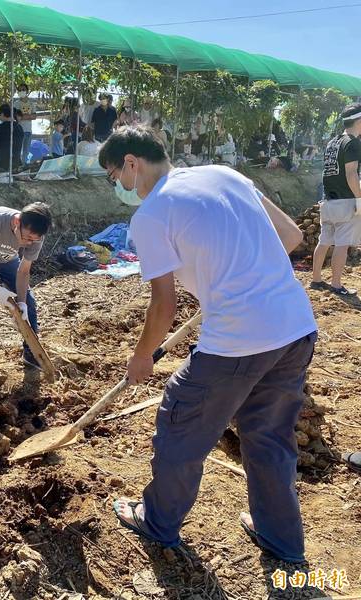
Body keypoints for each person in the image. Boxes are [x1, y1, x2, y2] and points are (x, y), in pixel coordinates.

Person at [99, 126, 317, 565]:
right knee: (269, 436)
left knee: (181, 423)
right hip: (295, 327)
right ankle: (282, 541)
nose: (118, 186)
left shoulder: (151, 214)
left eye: (113, 175)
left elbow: (164, 303)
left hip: (237, 341)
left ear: (131, 163)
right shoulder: (226, 173)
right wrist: (236, 274)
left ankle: (157, 521)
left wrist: (142, 356)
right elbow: (291, 236)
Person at [0, 203, 52, 372]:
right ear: (16, 222)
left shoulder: (36, 237)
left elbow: (24, 270)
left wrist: (22, 303)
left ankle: (30, 351)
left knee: (29, 300)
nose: (28, 243)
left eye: (33, 240)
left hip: (8, 260)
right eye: (26, 238)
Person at [311, 103, 361, 296]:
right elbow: (350, 174)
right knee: (342, 245)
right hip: (345, 201)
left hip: (328, 201)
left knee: (323, 242)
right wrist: (359, 199)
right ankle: (337, 285)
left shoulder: (333, 142)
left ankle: (316, 280)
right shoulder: (353, 142)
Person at [13, 83, 38, 165]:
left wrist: (23, 116)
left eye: (23, 89)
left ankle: (24, 166)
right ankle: (17, 166)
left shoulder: (32, 103)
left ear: (27, 91)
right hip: (19, 131)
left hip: (28, 131)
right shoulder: (16, 103)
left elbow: (34, 116)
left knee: (26, 151)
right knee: (18, 151)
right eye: (19, 90)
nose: (21, 91)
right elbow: (16, 117)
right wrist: (28, 116)